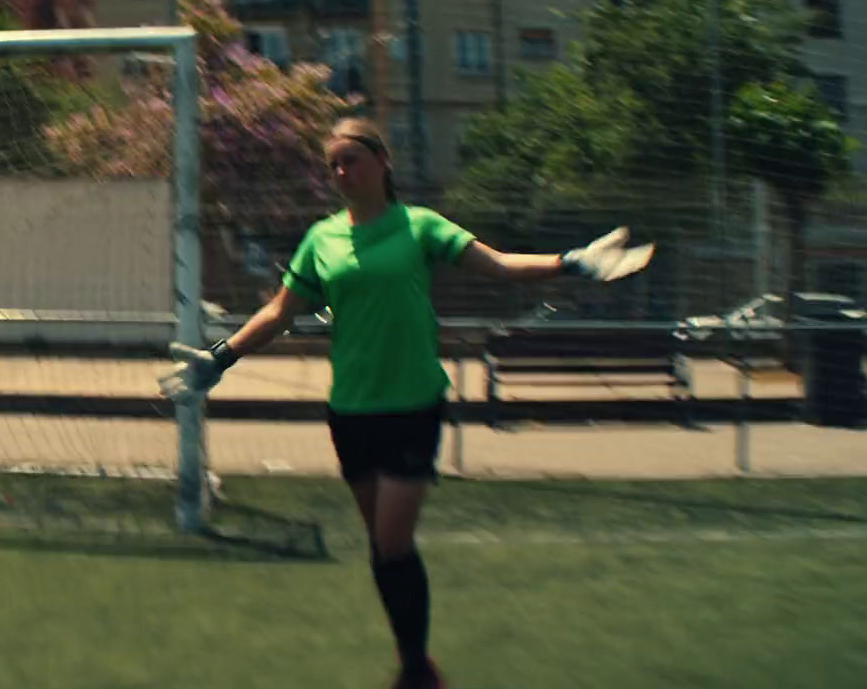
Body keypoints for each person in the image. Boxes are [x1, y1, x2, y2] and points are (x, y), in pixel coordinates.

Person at [157, 117, 653, 688]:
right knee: (384, 548)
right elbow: (279, 312)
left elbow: (498, 265)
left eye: (353, 160)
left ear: (383, 162)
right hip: (351, 411)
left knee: (392, 542)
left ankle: (417, 670)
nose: (343, 172)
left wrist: (569, 263)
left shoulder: (419, 226)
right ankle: (413, 656)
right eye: (334, 164)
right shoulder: (322, 239)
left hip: (413, 406)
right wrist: (219, 358)